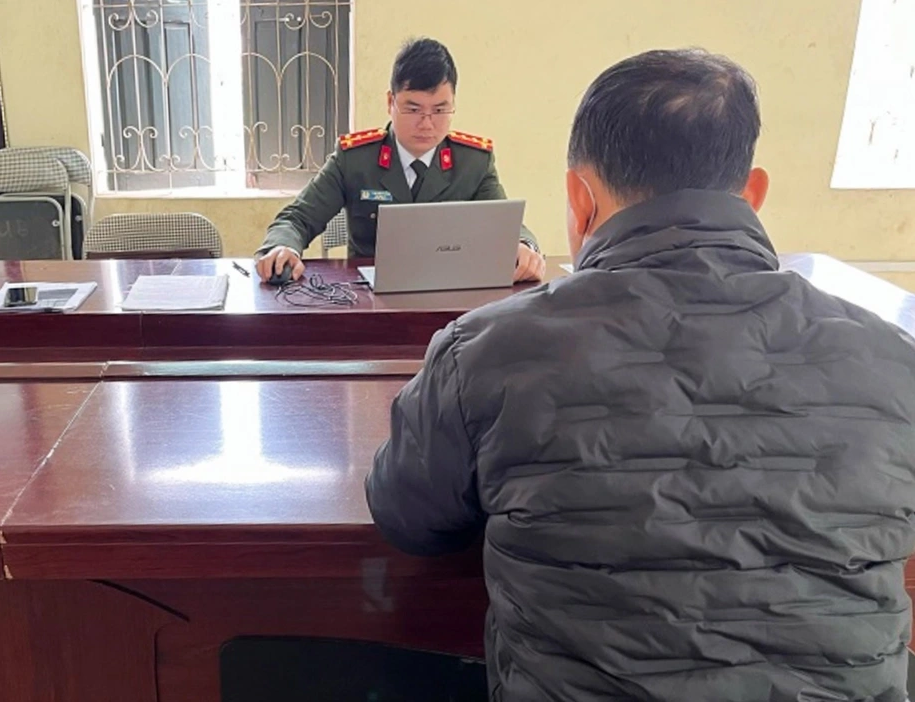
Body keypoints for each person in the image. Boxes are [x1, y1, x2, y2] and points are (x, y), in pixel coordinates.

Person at [366, 48, 915, 701]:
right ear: (753, 195)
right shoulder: (895, 362)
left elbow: (409, 516)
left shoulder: (485, 351)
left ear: (579, 199)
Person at [254, 37, 545, 284]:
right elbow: (298, 219)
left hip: (451, 299)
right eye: (413, 109)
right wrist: (282, 247)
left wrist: (524, 245)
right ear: (390, 102)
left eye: (440, 110)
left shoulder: (473, 162)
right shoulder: (355, 159)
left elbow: (505, 225)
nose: (427, 124)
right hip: (370, 303)